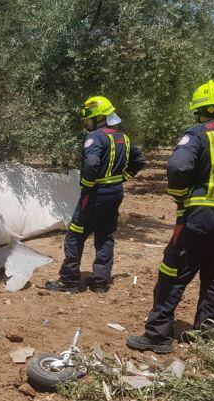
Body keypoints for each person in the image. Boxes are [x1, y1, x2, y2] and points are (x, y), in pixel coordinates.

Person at [127, 81, 214, 354]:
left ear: (200, 109)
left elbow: (179, 167)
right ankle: (205, 334)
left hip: (198, 218)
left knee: (173, 272)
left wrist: (180, 195)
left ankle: (157, 336)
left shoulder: (198, 134)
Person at [45, 96, 146, 293]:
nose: (86, 124)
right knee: (105, 236)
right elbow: (139, 159)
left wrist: (87, 184)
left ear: (99, 117)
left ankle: (69, 281)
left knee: (75, 235)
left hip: (97, 193)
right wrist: (123, 177)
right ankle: (100, 282)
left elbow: (92, 163)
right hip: (116, 192)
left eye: (87, 120)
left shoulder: (95, 137)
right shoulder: (122, 137)